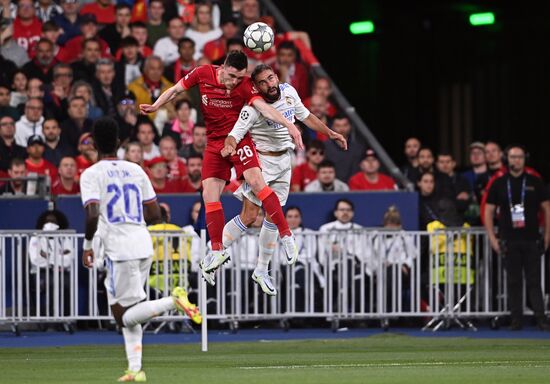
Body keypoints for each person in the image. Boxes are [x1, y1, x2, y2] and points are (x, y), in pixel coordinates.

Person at [139, 51, 304, 286]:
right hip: (215, 143)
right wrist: (156, 105)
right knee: (209, 195)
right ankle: (217, 250)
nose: (235, 82)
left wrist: (290, 125)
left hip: (239, 140)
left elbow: (265, 108)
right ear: (223, 67)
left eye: (240, 78)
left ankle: (286, 235)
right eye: (232, 76)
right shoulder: (203, 73)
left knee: (258, 184)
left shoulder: (246, 85)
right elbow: (176, 89)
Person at [80, 117, 201, 382]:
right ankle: (135, 369)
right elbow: (155, 212)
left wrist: (88, 246)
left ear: (94, 142)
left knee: (123, 317)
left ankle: (174, 300)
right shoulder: (136, 170)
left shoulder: (91, 174)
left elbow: (91, 215)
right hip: (143, 243)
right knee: (129, 308)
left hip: (118, 248)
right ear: (119, 142)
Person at [219, 64, 346, 293]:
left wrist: (331, 133)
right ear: (256, 87)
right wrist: (229, 146)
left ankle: (261, 270)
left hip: (284, 162)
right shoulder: (253, 107)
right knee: (249, 216)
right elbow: (234, 134)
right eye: (263, 82)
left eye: (271, 78)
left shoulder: (289, 92)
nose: (270, 84)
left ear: (276, 76)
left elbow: (306, 117)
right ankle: (215, 249)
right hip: (263, 164)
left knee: (272, 217)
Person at [484, 144, 550, 331]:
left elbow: (547, 208)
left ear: (524, 159)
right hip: (509, 239)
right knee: (513, 281)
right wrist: (492, 237)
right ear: (507, 159)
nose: (516, 160)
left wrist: (547, 234)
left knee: (534, 281)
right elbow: (488, 211)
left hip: (531, 238)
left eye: (520, 157)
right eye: (513, 157)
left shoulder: (535, 181)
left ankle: (541, 318)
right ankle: (516, 319)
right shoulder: (498, 183)